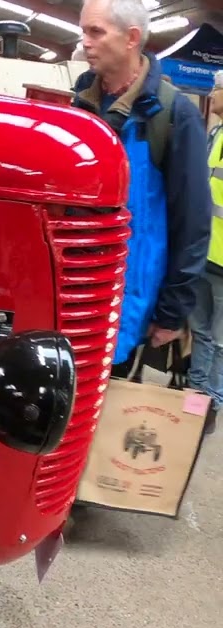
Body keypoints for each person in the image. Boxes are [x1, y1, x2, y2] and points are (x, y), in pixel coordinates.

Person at [72, 0, 211, 380]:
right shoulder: (81, 103)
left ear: (132, 38)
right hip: (71, 290)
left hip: (131, 301)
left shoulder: (172, 115)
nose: (84, 42)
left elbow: (193, 223)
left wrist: (171, 312)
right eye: (83, 30)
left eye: (95, 32)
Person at [187, 70, 223, 434]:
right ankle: (194, 395)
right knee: (201, 331)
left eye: (217, 89)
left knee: (220, 338)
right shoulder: (215, 133)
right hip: (207, 252)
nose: (212, 95)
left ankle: (211, 402)